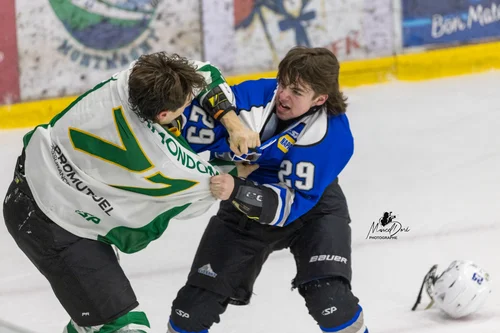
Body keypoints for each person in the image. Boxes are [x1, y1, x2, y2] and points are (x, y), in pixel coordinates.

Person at [3, 52, 259, 333]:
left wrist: (233, 125)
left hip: (31, 179)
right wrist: (239, 166)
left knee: (91, 320)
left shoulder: (125, 82)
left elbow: (203, 74)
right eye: (186, 103)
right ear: (163, 114)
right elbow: (211, 188)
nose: (190, 104)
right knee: (121, 328)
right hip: (53, 227)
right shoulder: (166, 161)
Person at [167, 47, 368, 333]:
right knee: (190, 311)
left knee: (331, 302)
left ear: (320, 99)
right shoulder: (252, 98)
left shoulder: (332, 140)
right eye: (283, 82)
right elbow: (183, 123)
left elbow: (286, 207)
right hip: (242, 206)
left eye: (297, 91)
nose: (284, 94)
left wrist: (235, 188)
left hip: (313, 211)